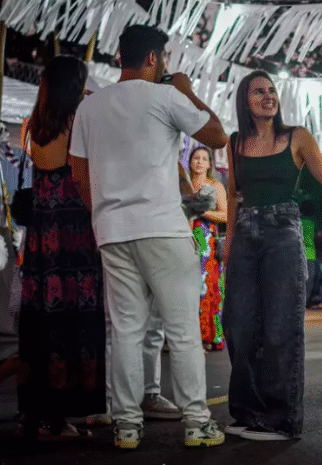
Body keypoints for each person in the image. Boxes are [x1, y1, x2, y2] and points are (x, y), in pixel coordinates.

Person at [70, 25, 229, 450]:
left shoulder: (90, 106)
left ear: (122, 55)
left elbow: (79, 174)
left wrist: (104, 215)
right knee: (182, 330)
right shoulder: (166, 96)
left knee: (126, 330)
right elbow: (217, 136)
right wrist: (187, 91)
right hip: (162, 228)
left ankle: (126, 425)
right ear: (154, 58)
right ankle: (196, 422)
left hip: (112, 231)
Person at [223, 70, 322, 441]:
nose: (268, 96)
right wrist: (229, 244)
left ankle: (281, 419)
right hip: (244, 233)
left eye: (272, 90)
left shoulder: (297, 136)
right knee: (239, 325)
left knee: (280, 327)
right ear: (245, 101)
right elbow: (234, 195)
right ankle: (248, 412)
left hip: (282, 233)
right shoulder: (235, 142)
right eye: (259, 91)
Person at [17, 56, 104, 440]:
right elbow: (82, 178)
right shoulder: (76, 121)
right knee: (72, 321)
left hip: (41, 235)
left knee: (40, 322)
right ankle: (58, 420)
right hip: (74, 232)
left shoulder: (33, 124)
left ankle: (30, 417)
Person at [188, 146, 228, 351]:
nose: (200, 162)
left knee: (207, 288)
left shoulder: (215, 186)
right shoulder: (184, 185)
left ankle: (208, 336)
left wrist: (202, 212)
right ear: (189, 162)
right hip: (184, 239)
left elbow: (226, 215)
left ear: (210, 164)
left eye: (204, 159)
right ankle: (188, 338)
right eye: (196, 158)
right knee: (186, 290)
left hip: (207, 243)